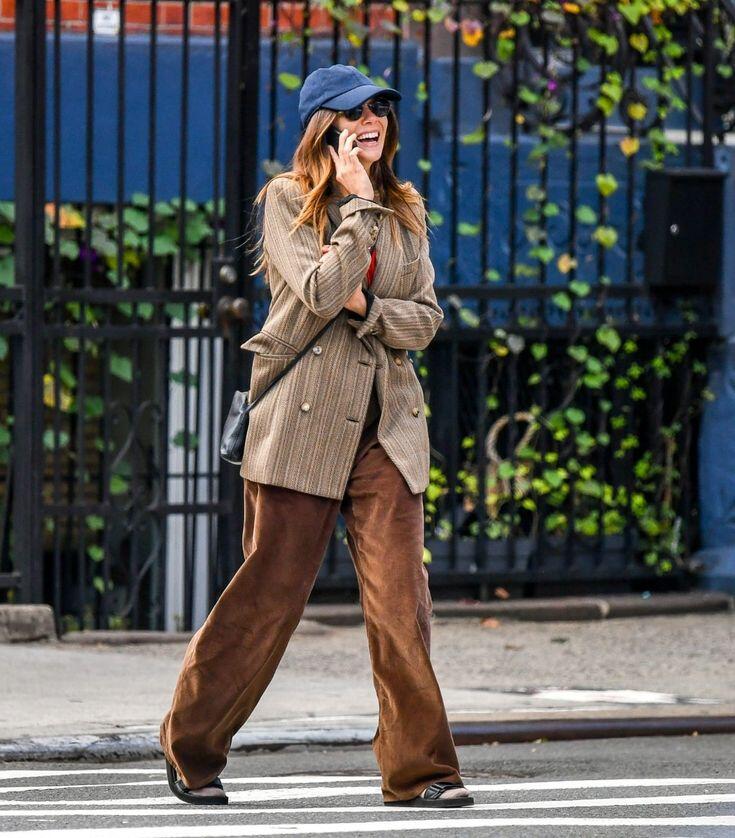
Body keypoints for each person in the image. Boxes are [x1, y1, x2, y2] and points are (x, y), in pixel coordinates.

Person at [160, 63, 474, 809]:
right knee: (268, 596)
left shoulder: (406, 209)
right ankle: (191, 748)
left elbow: (424, 322)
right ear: (323, 129)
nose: (372, 121)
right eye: (354, 112)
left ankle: (421, 772)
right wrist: (356, 210)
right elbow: (320, 291)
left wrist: (370, 306)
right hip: (301, 427)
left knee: (401, 605)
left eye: (379, 110)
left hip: (386, 430)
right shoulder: (287, 199)